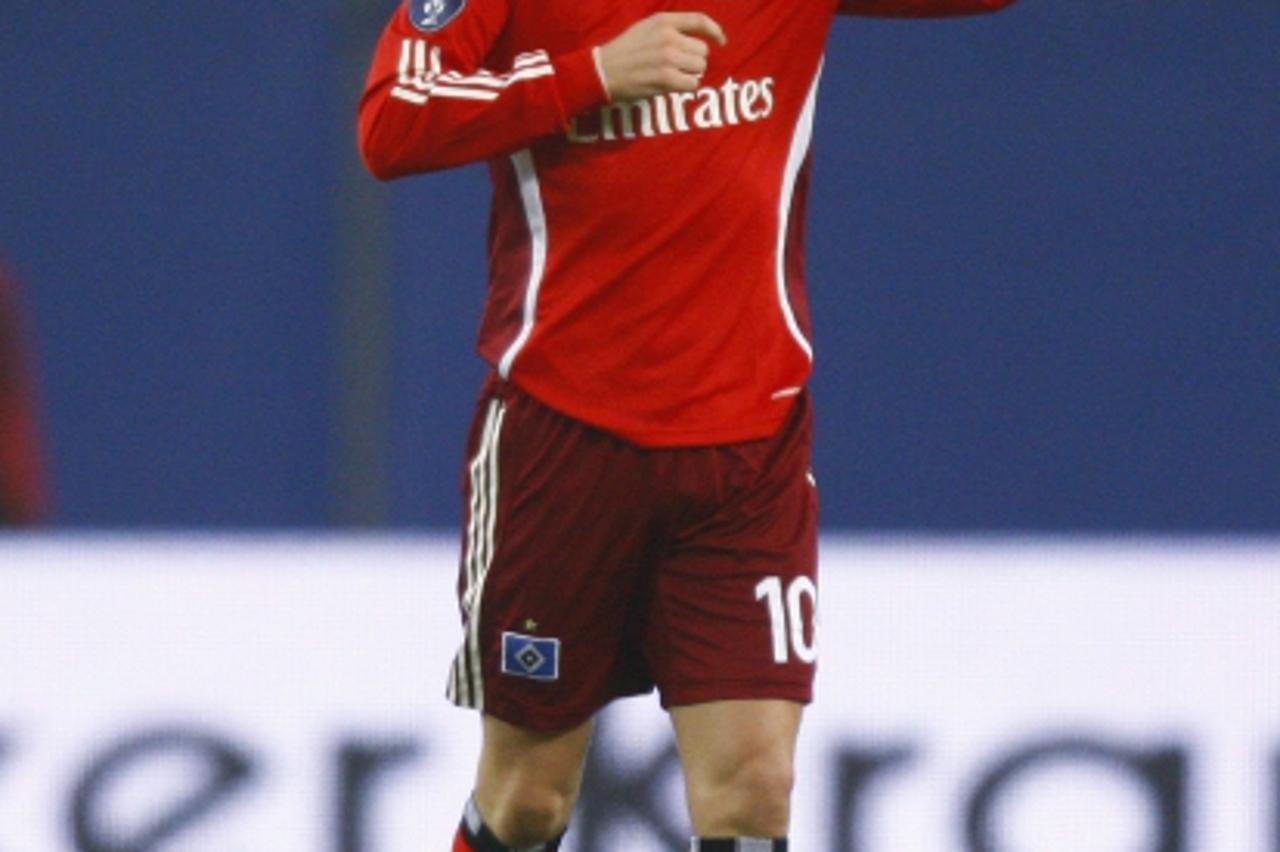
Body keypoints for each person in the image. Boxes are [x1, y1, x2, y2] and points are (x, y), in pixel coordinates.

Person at [358, 0, 1015, 848]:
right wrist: (592, 74)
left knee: (754, 786)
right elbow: (393, 123)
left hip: (749, 444)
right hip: (563, 439)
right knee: (530, 796)